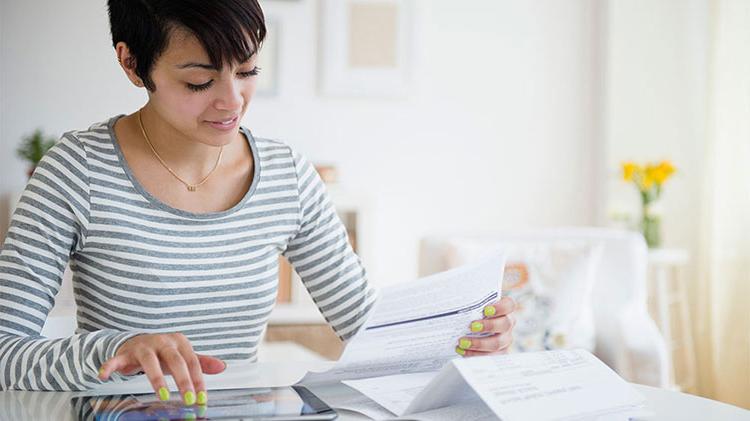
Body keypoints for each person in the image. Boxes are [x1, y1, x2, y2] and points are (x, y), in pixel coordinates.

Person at [0, 0, 516, 407]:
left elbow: (366, 326)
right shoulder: (76, 171)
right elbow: (6, 352)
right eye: (198, 80)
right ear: (132, 63)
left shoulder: (286, 175)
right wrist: (116, 348)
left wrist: (463, 335)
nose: (232, 101)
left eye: (246, 71)